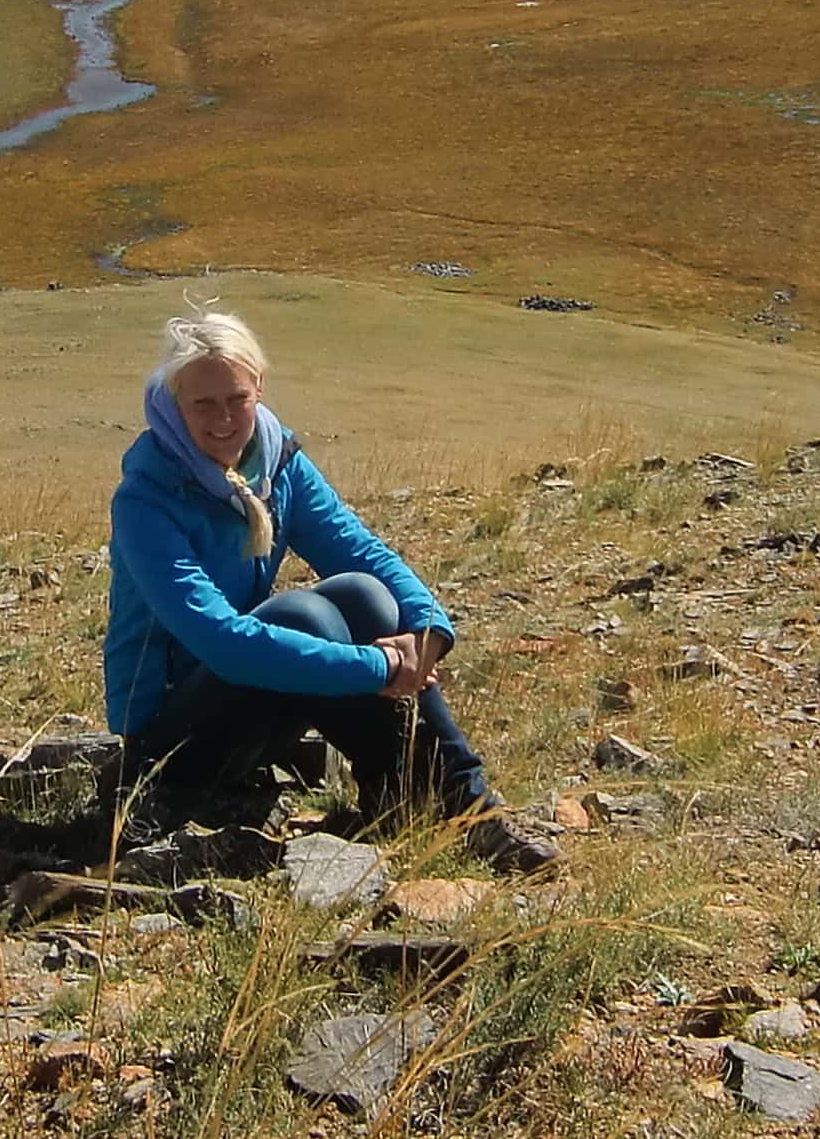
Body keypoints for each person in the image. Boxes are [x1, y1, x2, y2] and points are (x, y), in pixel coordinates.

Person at [101, 306, 548, 865]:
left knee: (361, 593)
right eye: (203, 404)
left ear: (259, 387)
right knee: (304, 618)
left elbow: (358, 550)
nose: (222, 419)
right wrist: (381, 667)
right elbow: (222, 642)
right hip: (168, 748)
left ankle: (462, 804)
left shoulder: (277, 463)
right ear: (174, 402)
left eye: (236, 399)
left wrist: (429, 630)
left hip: (249, 712)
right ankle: (424, 795)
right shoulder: (147, 501)